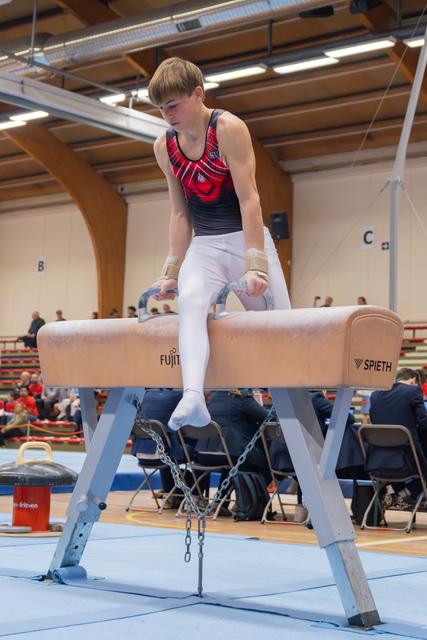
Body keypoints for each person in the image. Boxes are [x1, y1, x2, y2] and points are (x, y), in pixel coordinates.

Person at [148, 57, 291, 430]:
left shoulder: (227, 128)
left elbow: (250, 200)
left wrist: (255, 263)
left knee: (282, 329)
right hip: (206, 245)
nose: (167, 114)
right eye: (161, 108)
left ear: (198, 94)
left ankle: (290, 404)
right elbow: (180, 213)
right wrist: (171, 271)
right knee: (191, 302)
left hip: (246, 239)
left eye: (174, 105)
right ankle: (193, 395)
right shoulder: (164, 146)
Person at [370, 367, 427, 507]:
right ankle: (402, 494)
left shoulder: (376, 394)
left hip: (378, 460)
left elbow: (374, 421)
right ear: (413, 380)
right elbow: (424, 422)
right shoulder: (413, 391)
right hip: (407, 459)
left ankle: (395, 494)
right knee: (423, 468)